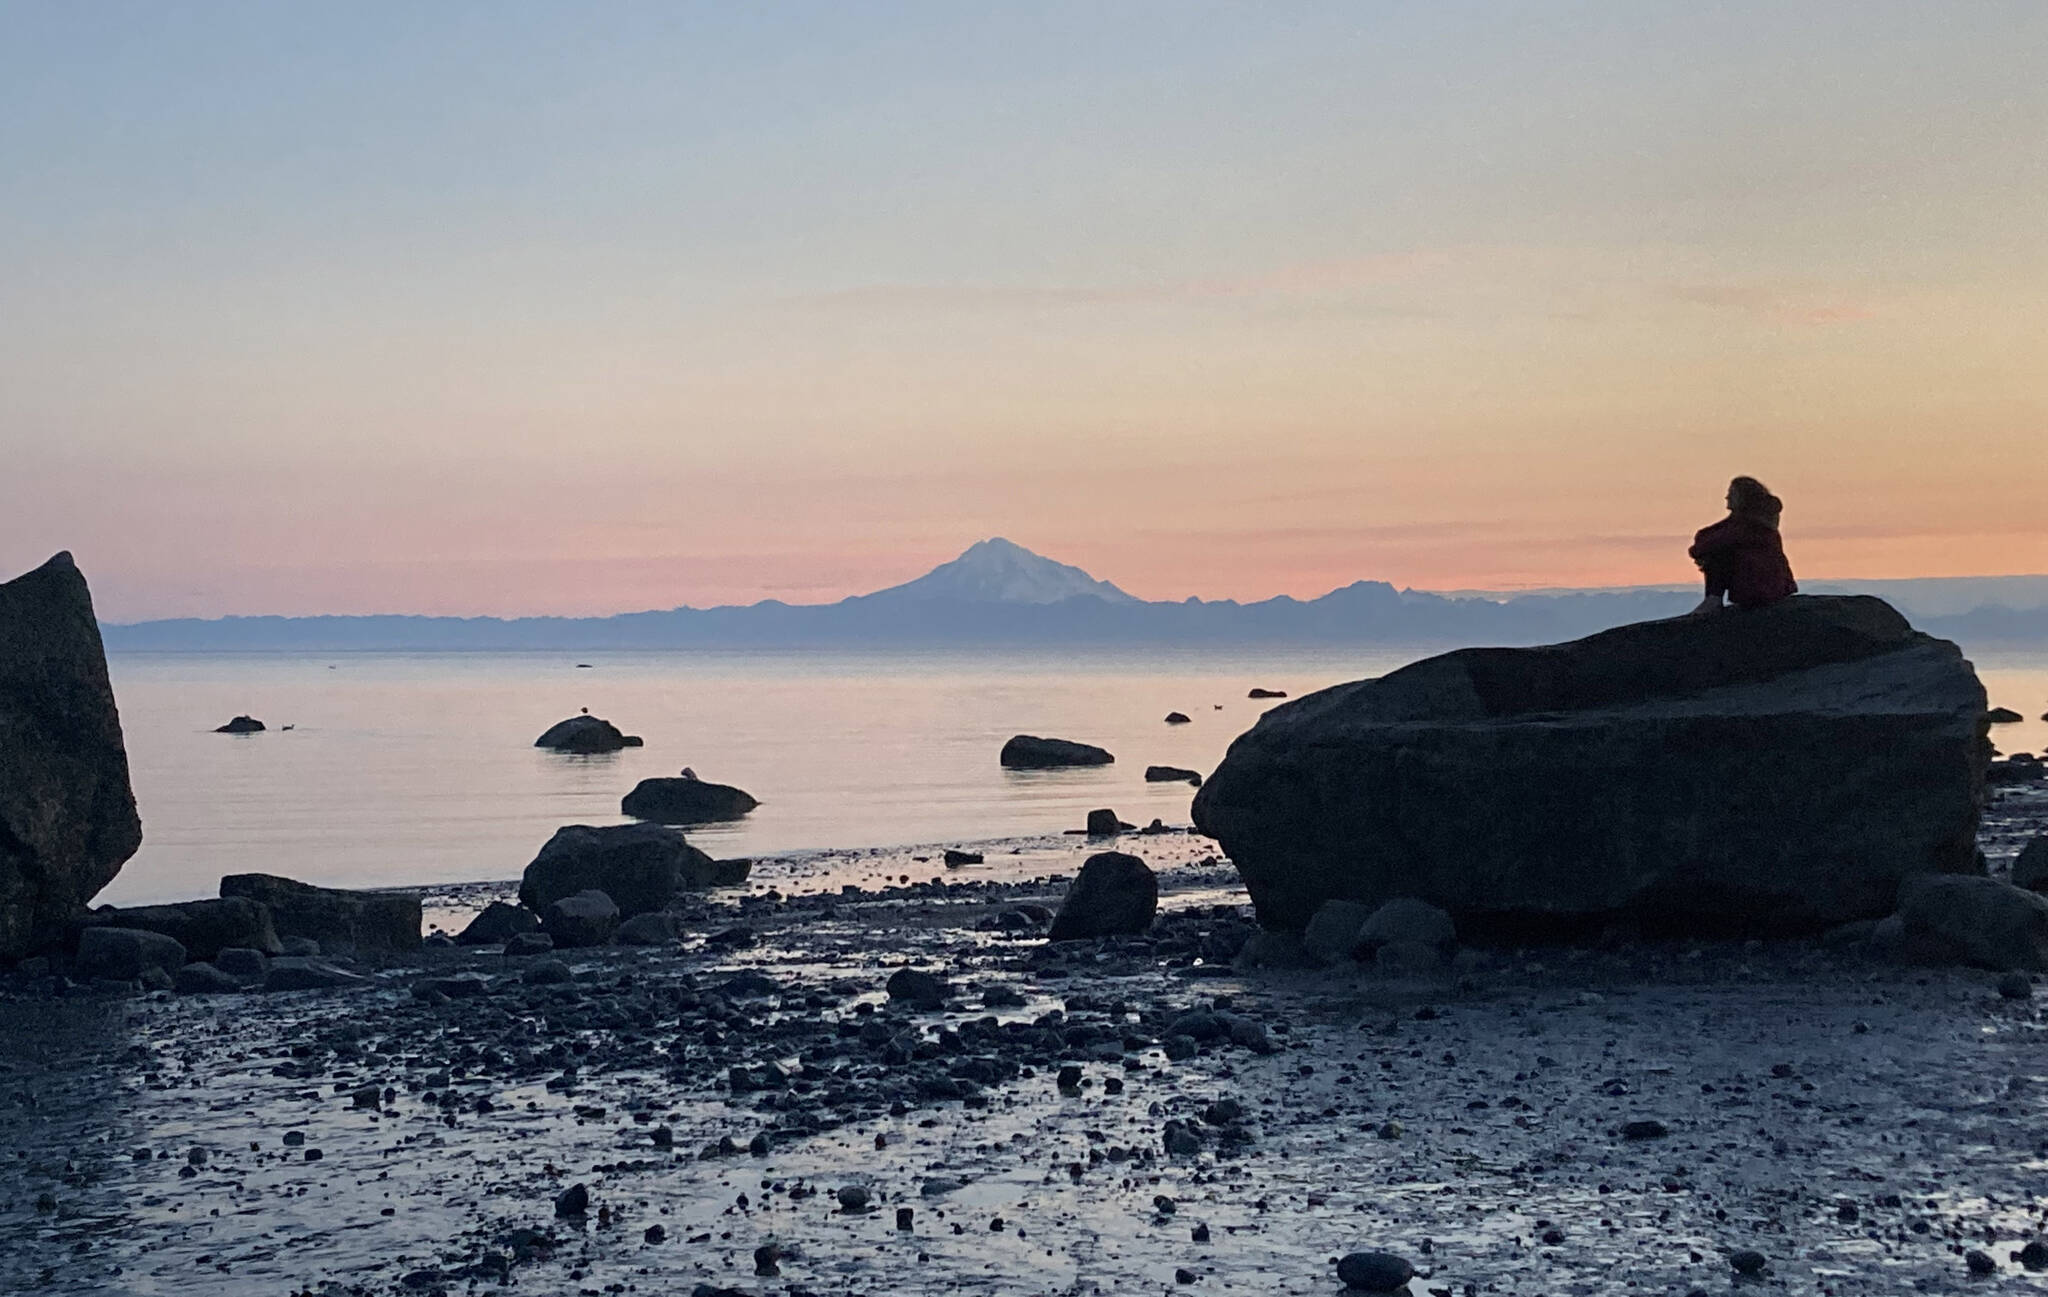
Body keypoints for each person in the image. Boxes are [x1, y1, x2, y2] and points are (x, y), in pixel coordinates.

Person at [1688, 476, 1797, 614]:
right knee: (1718, 550)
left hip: (1760, 588)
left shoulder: (1750, 526)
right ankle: (1712, 599)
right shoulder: (1750, 521)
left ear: (1742, 498)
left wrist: (1698, 551)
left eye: (1731, 493)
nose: (1726, 497)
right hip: (1774, 586)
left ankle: (1713, 599)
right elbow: (1709, 534)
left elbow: (1711, 543)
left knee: (1719, 554)